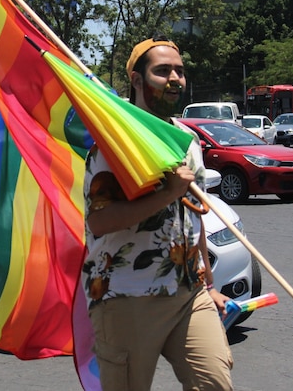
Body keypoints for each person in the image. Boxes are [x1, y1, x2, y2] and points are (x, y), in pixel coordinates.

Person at [81, 37, 233, 390]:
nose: (175, 78)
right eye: (162, 71)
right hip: (127, 296)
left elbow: (194, 218)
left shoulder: (187, 139)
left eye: (179, 71)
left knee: (215, 384)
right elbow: (99, 222)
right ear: (137, 80)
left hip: (188, 293)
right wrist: (167, 194)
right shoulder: (114, 143)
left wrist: (209, 284)